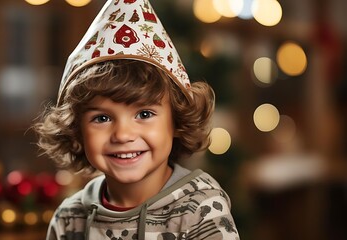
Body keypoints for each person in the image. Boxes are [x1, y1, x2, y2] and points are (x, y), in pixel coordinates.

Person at [34, 0, 240, 239]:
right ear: (76, 130)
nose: (122, 134)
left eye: (144, 114)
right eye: (102, 118)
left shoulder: (200, 208)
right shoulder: (69, 219)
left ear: (176, 121)